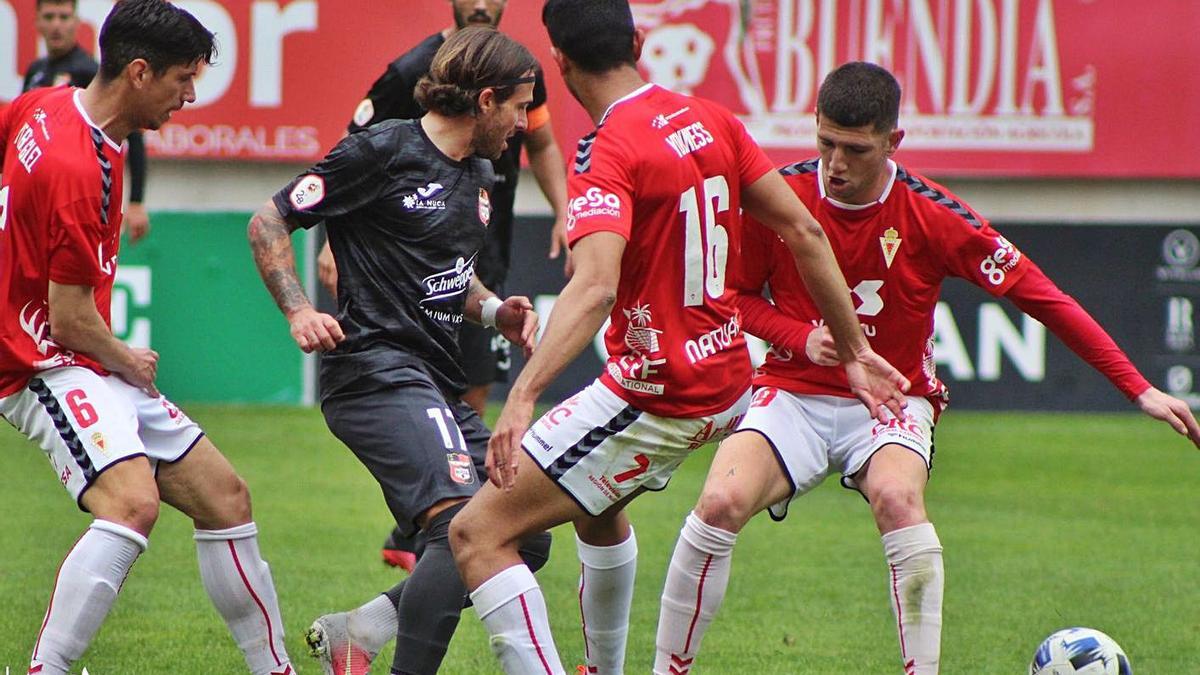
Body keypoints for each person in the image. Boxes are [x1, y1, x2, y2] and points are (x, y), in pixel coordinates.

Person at [651, 61, 1200, 675]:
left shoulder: (933, 215)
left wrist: (1138, 388)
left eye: (855, 149)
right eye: (825, 142)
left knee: (897, 499)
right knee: (718, 503)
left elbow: (1043, 297)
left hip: (893, 400)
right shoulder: (778, 199)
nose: (835, 163)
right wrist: (802, 339)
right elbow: (733, 297)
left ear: (892, 142)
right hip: (793, 391)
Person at [448, 4, 909, 674]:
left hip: (659, 391)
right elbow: (805, 232)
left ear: (559, 61)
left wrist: (522, 398)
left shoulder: (607, 150)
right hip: (724, 382)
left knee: (476, 532)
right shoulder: (712, 119)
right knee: (596, 510)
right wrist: (857, 352)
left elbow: (595, 285)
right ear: (637, 41)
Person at [247, 26, 552, 675]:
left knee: (526, 529)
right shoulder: (381, 149)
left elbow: (449, 276)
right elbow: (269, 220)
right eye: (521, 106)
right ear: (487, 98)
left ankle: (363, 629)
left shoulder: (478, 172)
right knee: (458, 528)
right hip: (373, 373)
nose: (525, 122)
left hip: (435, 380)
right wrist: (300, 309)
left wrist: (497, 310)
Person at [0, 2, 294, 674]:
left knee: (226, 497)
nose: (190, 96)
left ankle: (276, 669)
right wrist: (128, 356)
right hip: (41, 363)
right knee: (133, 503)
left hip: (80, 357)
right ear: (139, 71)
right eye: (183, 80)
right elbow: (71, 318)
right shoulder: (80, 169)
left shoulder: (44, 106)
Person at [327, 0, 570, 574]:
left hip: (481, 267)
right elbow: (344, 158)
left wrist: (564, 210)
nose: (483, 3)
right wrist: (335, 245)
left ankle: (429, 516)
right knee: (467, 503)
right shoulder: (412, 71)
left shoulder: (518, 72)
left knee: (473, 392)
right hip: (404, 289)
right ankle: (433, 514)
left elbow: (545, 144)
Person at [24, 0, 153, 244]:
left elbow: (134, 134)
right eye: (49, 17)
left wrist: (136, 202)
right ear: (37, 22)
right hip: (33, 194)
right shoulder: (35, 71)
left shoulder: (90, 71)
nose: (56, 26)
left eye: (63, 17)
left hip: (75, 196)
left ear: (76, 21)